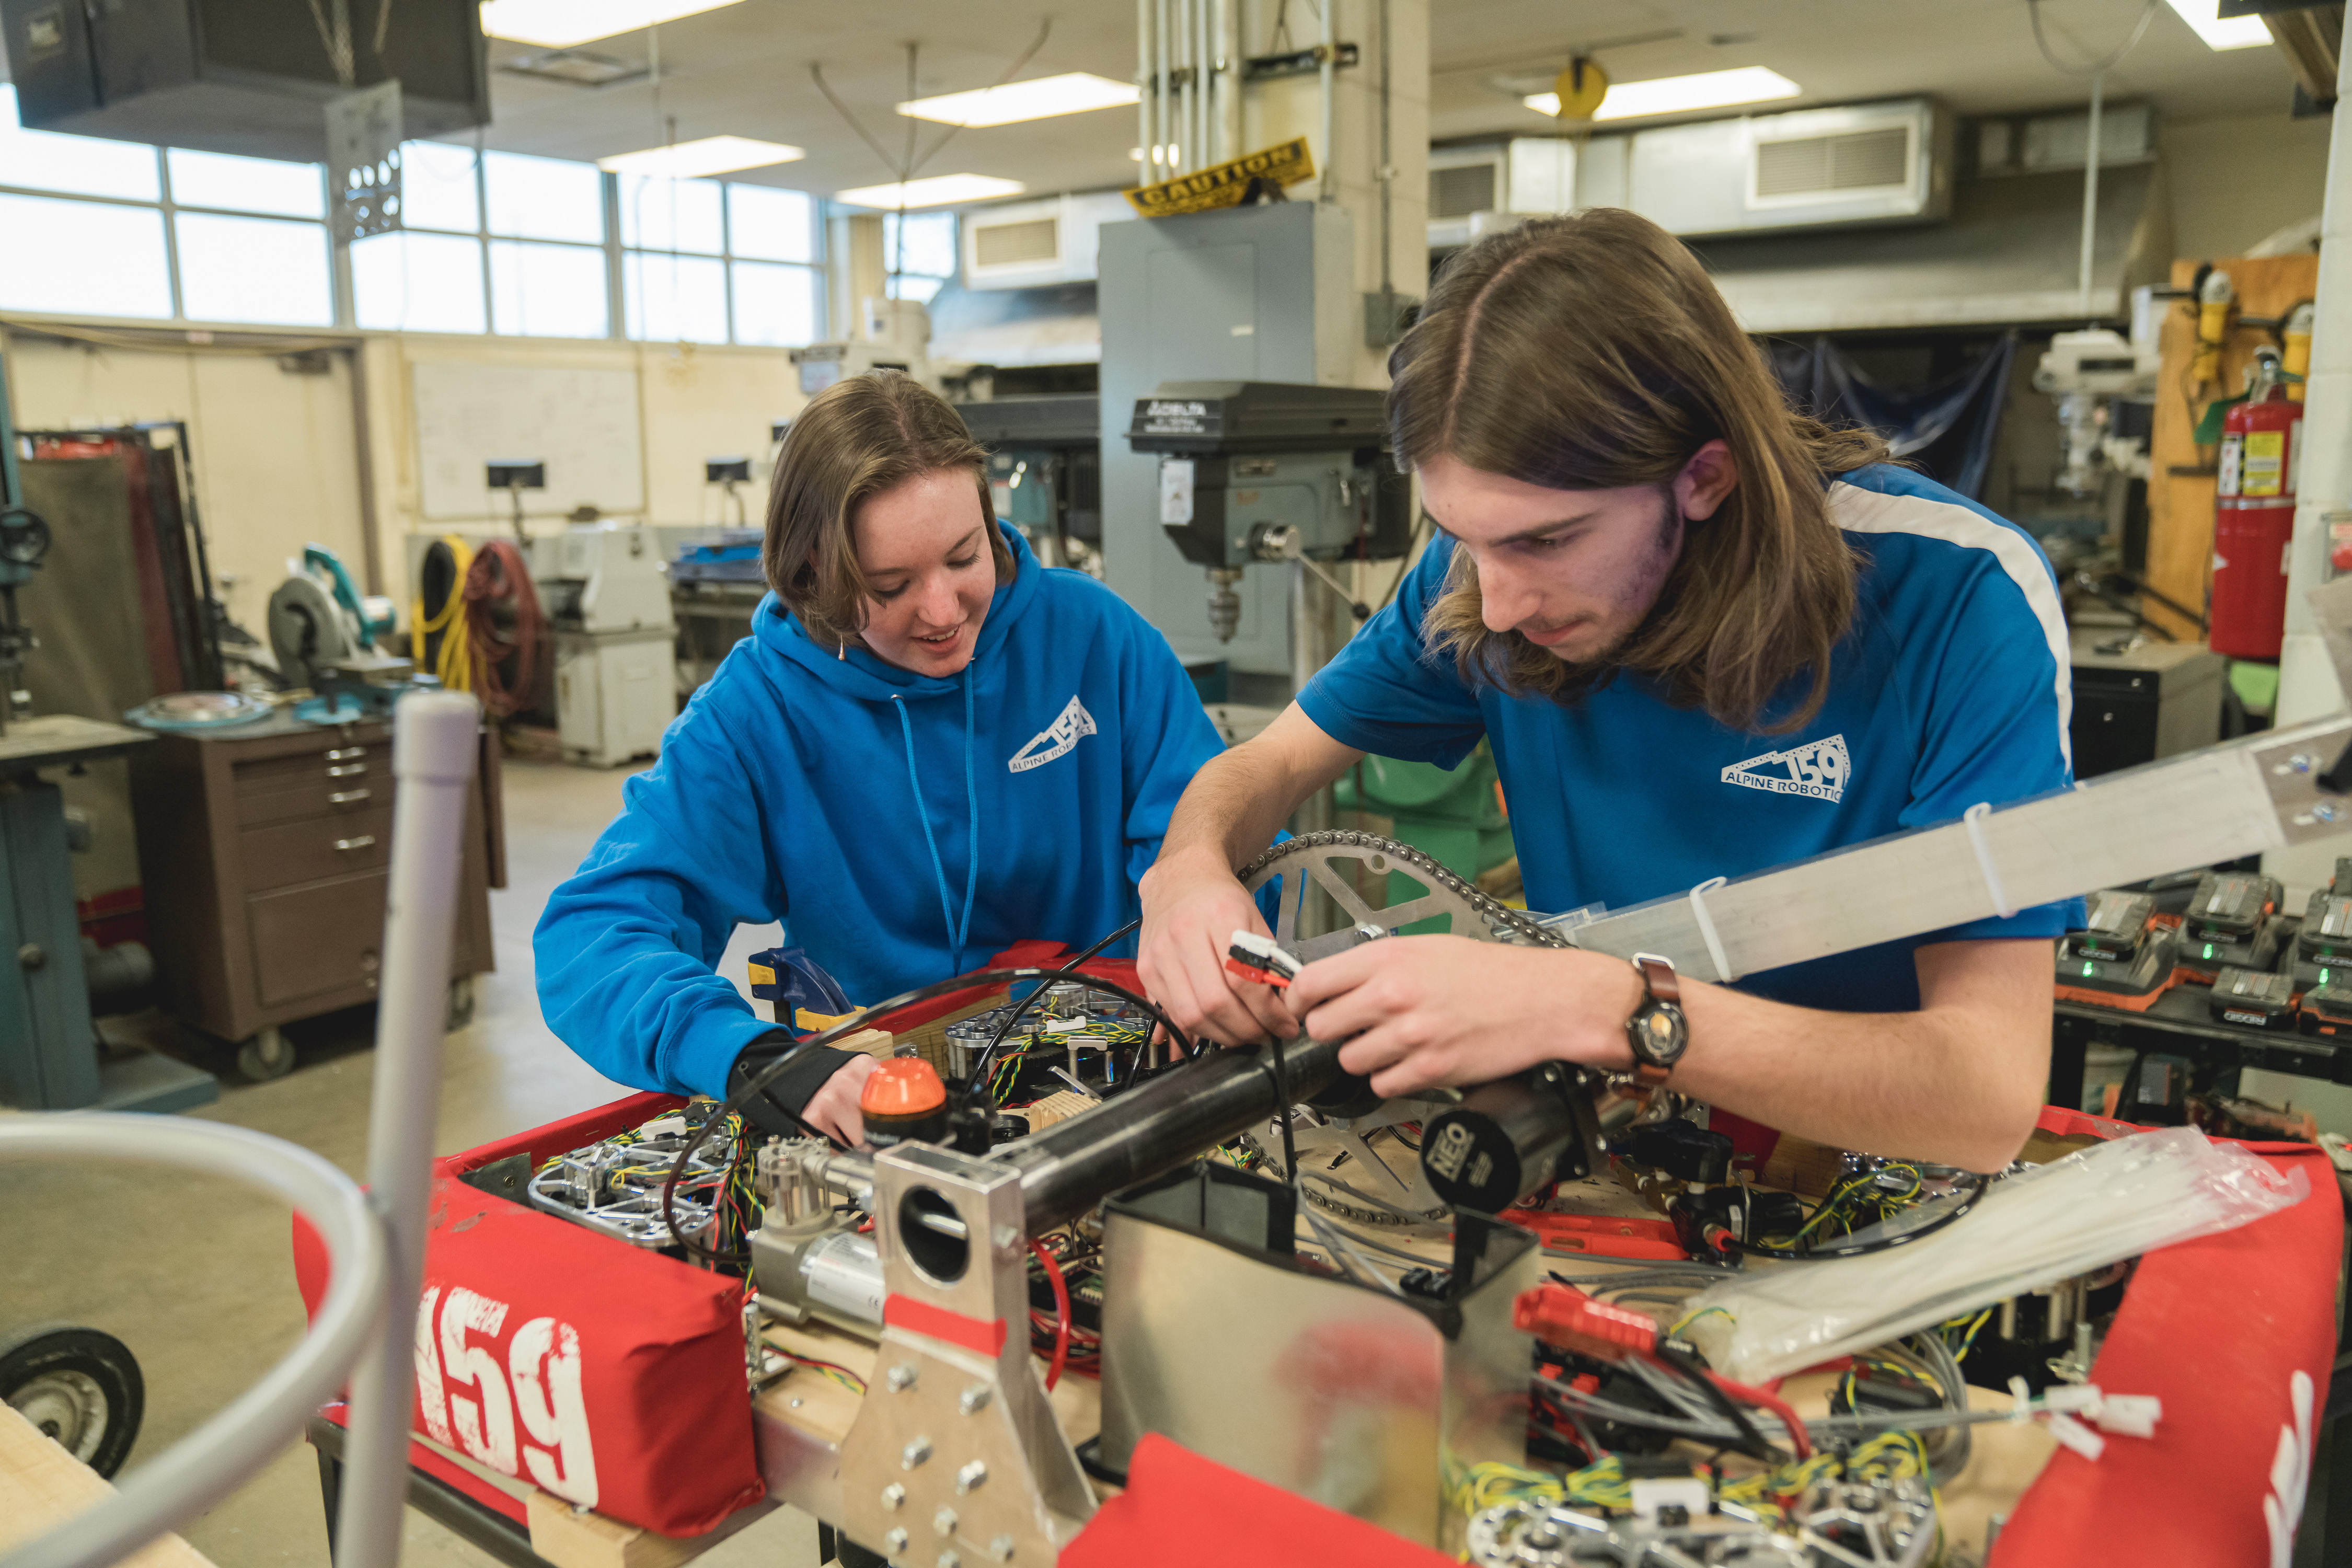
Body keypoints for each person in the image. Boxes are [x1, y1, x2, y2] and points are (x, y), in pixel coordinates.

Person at [1138, 209, 2072, 1175]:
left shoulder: (1961, 594)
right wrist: (1188, 866)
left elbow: (1985, 1096)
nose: (1496, 605)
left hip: (1866, 1178)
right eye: (1464, 535)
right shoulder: (1481, 578)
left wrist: (1594, 1004)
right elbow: (1276, 760)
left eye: (1546, 540)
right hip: (1603, 1164)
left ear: (1704, 476)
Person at [537, 373, 1228, 1145]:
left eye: (967, 557)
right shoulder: (756, 713)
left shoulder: (1095, 639)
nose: (941, 612)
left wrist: (1205, 971)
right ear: (812, 573)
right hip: (890, 1127)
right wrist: (755, 1060)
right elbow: (590, 937)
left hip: (1124, 1097)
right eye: (889, 585)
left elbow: (1212, 846)